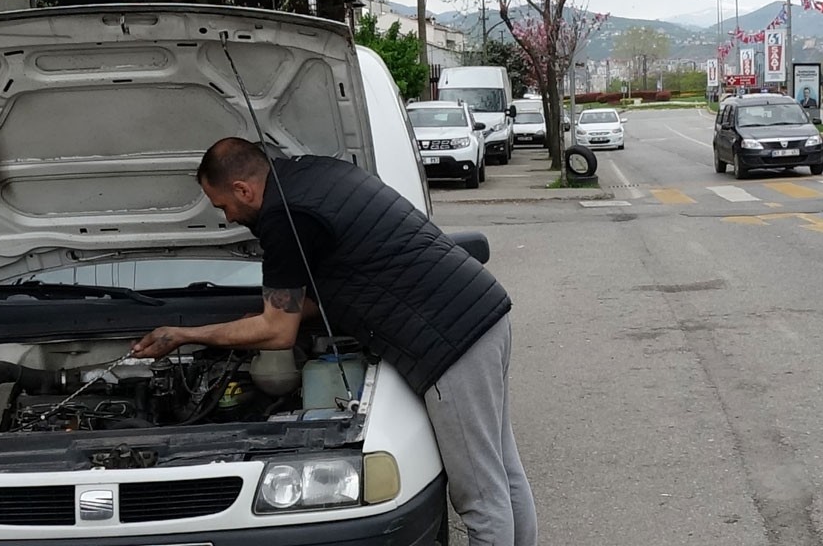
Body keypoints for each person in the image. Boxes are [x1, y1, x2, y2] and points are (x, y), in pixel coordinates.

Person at [132, 137, 538, 546]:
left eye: (223, 206)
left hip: (451, 340)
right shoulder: (313, 173)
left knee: (479, 497)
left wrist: (184, 335)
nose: (229, 217)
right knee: (502, 471)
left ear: (243, 189)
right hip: (482, 314)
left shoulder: (283, 218)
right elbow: (337, 282)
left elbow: (278, 331)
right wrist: (256, 319)